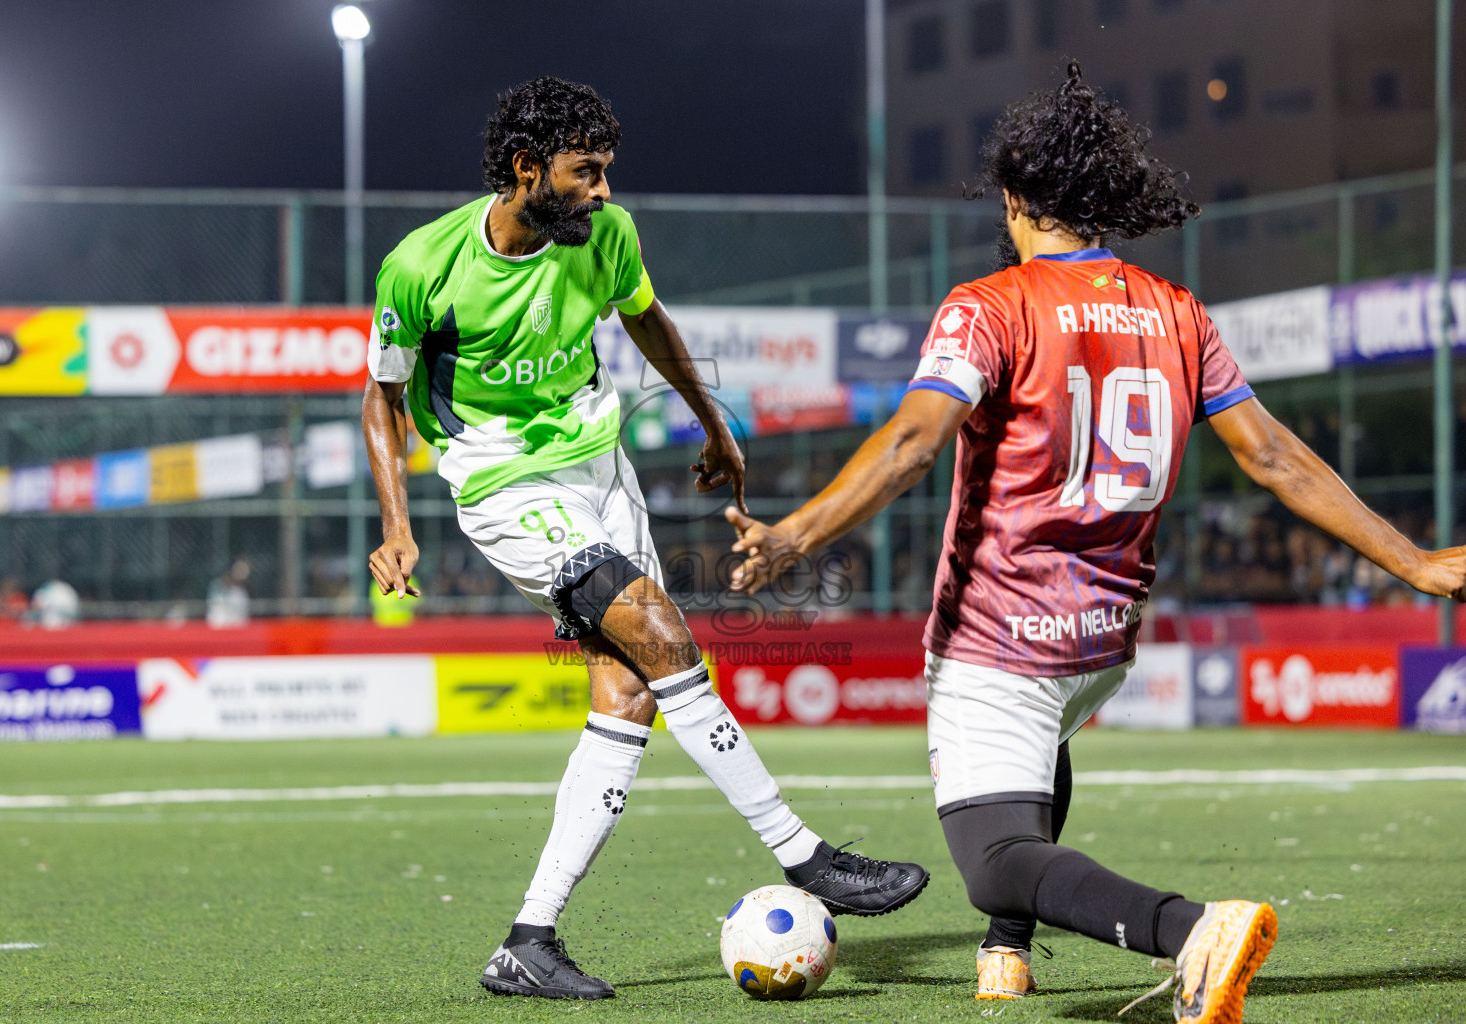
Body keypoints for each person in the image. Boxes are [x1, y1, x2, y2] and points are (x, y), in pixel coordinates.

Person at [725, 63, 1466, 1024]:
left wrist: (796, 533)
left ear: (1016, 197)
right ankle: (1008, 953)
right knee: (1040, 746)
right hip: (1104, 641)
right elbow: (1275, 458)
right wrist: (1415, 561)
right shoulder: (1177, 311)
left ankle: (1191, 928)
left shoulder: (988, 308)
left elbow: (914, 440)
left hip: (999, 637)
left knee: (994, 863)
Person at [361, 76, 928, 1002]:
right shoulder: (421, 268)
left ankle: (528, 940)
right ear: (525, 168)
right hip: (504, 483)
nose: (605, 192)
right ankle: (804, 854)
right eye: (586, 173)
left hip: (602, 468)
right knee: (665, 638)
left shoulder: (607, 238)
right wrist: (396, 524)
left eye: (607, 172)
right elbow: (381, 399)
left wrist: (715, 422)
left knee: (629, 693)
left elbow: (645, 320)